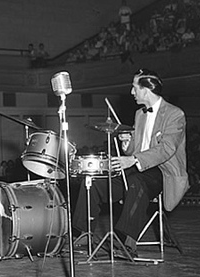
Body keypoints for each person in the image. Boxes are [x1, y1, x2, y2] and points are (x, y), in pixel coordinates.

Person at [72, 68, 189, 258]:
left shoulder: (175, 114)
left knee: (137, 183)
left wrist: (133, 159)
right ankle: (83, 234)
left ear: (146, 89)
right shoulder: (139, 114)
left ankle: (127, 241)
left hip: (161, 172)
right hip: (137, 168)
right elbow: (136, 148)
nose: (131, 92)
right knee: (93, 182)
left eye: (134, 88)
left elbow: (167, 149)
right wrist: (127, 144)